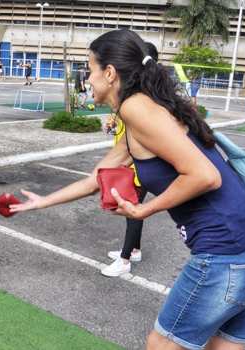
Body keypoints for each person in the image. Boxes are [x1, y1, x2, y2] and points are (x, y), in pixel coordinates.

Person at [10, 29, 245, 350]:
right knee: (222, 346)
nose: (88, 78)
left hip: (228, 253)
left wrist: (144, 209)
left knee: (161, 345)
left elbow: (205, 175)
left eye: (90, 69)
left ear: (110, 73)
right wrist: (42, 202)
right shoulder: (146, 110)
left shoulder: (135, 108)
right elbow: (97, 177)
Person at [103, 41, 159, 277]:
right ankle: (133, 250)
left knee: (132, 208)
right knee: (132, 207)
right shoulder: (134, 91)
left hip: (139, 162)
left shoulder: (146, 94)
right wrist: (113, 123)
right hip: (131, 160)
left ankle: (125, 260)